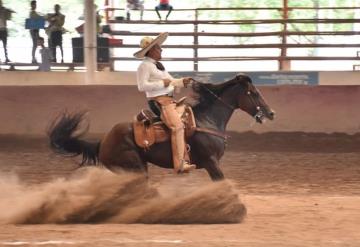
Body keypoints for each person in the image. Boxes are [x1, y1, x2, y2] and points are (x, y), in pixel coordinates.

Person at [134, 32, 196, 174]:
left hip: (169, 99)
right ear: (151, 51)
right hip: (159, 101)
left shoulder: (159, 66)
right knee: (177, 126)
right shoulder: (144, 66)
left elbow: (172, 81)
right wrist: (162, 83)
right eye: (158, 48)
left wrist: (182, 82)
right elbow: (141, 86)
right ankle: (180, 163)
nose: (161, 50)